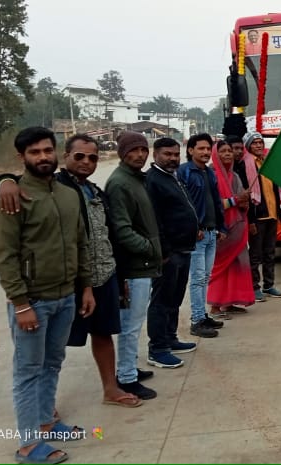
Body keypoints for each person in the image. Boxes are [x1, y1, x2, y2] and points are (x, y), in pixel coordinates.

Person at [0, 134, 142, 409]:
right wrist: (5, 181)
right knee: (49, 353)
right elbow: (24, 183)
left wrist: (119, 277)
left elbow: (108, 235)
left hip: (102, 276)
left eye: (93, 158)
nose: (86, 162)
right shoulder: (56, 187)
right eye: (80, 156)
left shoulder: (96, 192)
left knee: (104, 333)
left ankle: (111, 389)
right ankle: (41, 413)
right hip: (66, 284)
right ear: (65, 157)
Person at [0, 127, 94, 464]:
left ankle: (48, 422)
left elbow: (80, 243)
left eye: (47, 150)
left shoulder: (67, 195)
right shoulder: (12, 198)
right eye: (34, 152)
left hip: (66, 297)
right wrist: (21, 303)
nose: (43, 157)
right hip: (32, 301)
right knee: (28, 370)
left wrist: (86, 287)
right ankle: (28, 444)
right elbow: (5, 257)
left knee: (53, 363)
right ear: (22, 157)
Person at [105, 131, 163, 400]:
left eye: (143, 149)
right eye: (134, 150)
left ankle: (129, 368)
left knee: (135, 322)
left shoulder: (135, 180)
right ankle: (126, 378)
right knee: (130, 324)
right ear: (122, 153)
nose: (140, 155)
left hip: (143, 263)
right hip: (133, 266)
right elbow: (121, 229)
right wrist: (149, 248)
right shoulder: (120, 183)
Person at [146, 137, 204, 367]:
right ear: (155, 155)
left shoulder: (172, 177)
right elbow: (154, 219)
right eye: (167, 154)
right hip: (168, 252)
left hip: (184, 247)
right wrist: (163, 250)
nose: (172, 158)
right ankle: (157, 349)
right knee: (161, 300)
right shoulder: (154, 180)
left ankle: (170, 339)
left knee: (175, 297)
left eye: (175, 154)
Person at [177, 133, 227, 337]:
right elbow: (182, 205)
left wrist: (221, 227)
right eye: (201, 149)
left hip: (210, 232)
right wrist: (192, 227)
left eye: (208, 149)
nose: (206, 152)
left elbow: (216, 202)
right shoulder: (184, 173)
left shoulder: (209, 173)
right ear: (190, 151)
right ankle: (197, 320)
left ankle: (202, 315)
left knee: (205, 277)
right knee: (197, 279)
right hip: (196, 236)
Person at [208, 137, 256, 318]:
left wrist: (244, 202)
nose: (228, 154)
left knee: (237, 266)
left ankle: (229, 302)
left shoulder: (234, 176)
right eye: (223, 151)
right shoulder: (211, 175)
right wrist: (236, 199)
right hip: (222, 232)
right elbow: (214, 205)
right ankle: (214, 307)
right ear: (215, 154)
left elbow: (241, 202)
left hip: (237, 231)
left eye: (229, 151)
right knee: (220, 268)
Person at [243, 131, 281, 302]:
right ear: (248, 146)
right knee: (255, 255)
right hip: (257, 217)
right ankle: (254, 287)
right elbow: (248, 196)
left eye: (260, 142)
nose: (259, 146)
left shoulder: (268, 162)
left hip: (272, 214)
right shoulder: (246, 165)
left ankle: (269, 285)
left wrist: (280, 211)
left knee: (270, 252)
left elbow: (274, 189)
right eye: (255, 143)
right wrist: (251, 220)